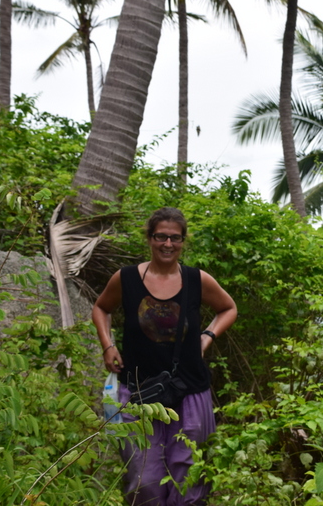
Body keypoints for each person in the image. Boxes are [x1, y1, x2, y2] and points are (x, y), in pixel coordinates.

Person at [92, 207, 237, 505]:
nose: (167, 244)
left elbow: (228, 308)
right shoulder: (127, 278)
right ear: (149, 238)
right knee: (143, 479)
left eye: (175, 238)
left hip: (189, 392)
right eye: (161, 237)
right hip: (138, 390)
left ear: (183, 241)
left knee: (189, 477)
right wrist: (108, 345)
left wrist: (207, 337)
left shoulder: (198, 280)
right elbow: (101, 308)